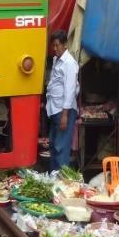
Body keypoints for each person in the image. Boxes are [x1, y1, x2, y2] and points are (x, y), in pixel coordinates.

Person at [46, 30, 79, 172]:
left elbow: (70, 89)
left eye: (57, 45)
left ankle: (63, 180)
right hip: (55, 109)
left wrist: (65, 115)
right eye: (53, 46)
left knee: (61, 146)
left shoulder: (69, 63)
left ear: (65, 45)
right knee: (53, 145)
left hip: (63, 110)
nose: (54, 49)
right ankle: (55, 178)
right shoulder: (56, 60)